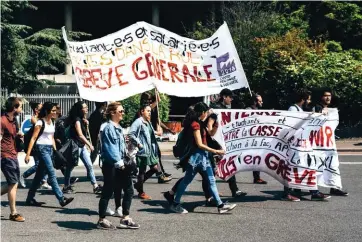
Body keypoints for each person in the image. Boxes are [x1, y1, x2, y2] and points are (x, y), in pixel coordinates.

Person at [169, 102, 236, 214]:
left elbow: (209, 134)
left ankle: (220, 205)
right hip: (196, 158)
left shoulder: (200, 123)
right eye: (207, 112)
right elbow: (199, 144)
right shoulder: (195, 124)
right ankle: (175, 203)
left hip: (203, 157)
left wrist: (215, 126)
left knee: (211, 180)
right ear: (203, 112)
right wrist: (216, 151)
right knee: (187, 181)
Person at [97, 102, 140, 229]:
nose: (123, 113)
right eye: (120, 111)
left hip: (121, 163)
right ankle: (101, 220)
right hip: (111, 165)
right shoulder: (109, 128)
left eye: (123, 111)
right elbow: (110, 147)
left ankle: (125, 218)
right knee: (107, 191)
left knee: (129, 189)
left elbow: (121, 148)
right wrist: (120, 163)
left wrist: (128, 156)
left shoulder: (119, 128)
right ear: (112, 113)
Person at [25, 102, 74, 207]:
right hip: (41, 149)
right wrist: (28, 154)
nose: (55, 112)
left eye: (55, 110)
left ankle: (30, 198)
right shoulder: (40, 123)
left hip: (50, 149)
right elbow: (33, 138)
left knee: (39, 176)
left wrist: (56, 151)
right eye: (52, 111)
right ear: (47, 111)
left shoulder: (52, 122)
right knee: (51, 173)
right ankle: (61, 199)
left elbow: (51, 137)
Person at [286, 88, 330, 201]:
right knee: (294, 169)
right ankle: (287, 193)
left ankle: (313, 192)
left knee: (309, 168)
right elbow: (292, 126)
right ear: (303, 99)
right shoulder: (292, 109)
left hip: (303, 145)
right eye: (308, 99)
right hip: (295, 146)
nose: (309, 102)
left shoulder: (300, 109)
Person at [210, 88, 248, 197]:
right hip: (215, 143)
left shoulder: (221, 108)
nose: (231, 100)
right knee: (211, 169)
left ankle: (233, 190)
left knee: (227, 164)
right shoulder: (216, 109)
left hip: (221, 142)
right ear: (224, 97)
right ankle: (213, 193)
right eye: (230, 97)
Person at [313, 88, 348, 196]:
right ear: (320, 97)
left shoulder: (332, 110)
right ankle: (313, 189)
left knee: (333, 165)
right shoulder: (316, 108)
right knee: (317, 166)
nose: (328, 97)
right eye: (325, 95)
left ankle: (335, 187)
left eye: (329, 95)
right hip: (318, 144)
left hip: (330, 143)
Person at [63, 101, 102, 194]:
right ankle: (66, 186)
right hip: (76, 146)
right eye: (84, 107)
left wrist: (85, 121)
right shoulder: (77, 120)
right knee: (70, 167)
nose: (87, 109)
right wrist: (89, 144)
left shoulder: (81, 119)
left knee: (89, 165)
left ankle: (95, 186)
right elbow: (80, 135)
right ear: (80, 110)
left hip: (82, 146)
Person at [138, 91, 173, 182]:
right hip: (145, 139)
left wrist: (167, 129)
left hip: (150, 137)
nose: (150, 102)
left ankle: (160, 174)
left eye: (151, 100)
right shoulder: (142, 111)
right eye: (147, 100)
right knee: (151, 160)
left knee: (156, 156)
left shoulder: (151, 110)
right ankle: (159, 175)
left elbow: (157, 121)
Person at [129, 104, 162, 200]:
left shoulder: (147, 122)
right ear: (142, 111)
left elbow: (150, 132)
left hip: (150, 150)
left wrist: (157, 132)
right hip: (143, 150)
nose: (149, 113)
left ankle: (139, 185)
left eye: (150, 111)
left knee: (155, 168)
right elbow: (131, 134)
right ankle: (141, 192)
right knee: (142, 172)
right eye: (147, 111)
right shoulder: (138, 122)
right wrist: (139, 143)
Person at [1, 97, 25, 222]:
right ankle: (13, 213)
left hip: (14, 154)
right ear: (14, 108)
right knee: (13, 183)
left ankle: (13, 212)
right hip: (5, 156)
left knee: (14, 183)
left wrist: (18, 135)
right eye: (20, 106)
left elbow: (12, 135)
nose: (21, 109)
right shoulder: (2, 120)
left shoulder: (14, 120)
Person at [20, 102, 51, 189]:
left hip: (42, 144)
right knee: (39, 164)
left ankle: (43, 181)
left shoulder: (43, 118)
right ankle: (24, 176)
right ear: (36, 110)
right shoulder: (34, 119)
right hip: (35, 145)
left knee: (44, 163)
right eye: (41, 108)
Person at [246, 93, 268, 185]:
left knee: (256, 157)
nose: (261, 102)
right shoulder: (248, 110)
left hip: (256, 138)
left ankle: (257, 177)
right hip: (248, 138)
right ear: (255, 102)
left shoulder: (258, 110)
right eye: (259, 101)